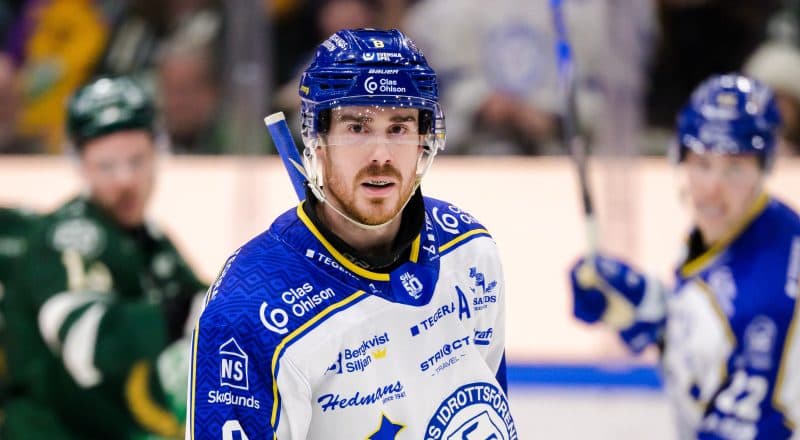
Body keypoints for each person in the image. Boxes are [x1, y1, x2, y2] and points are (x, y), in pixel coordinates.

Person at [188, 29, 514, 439]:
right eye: (357, 128)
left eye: (399, 128)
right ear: (317, 139)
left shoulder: (466, 249)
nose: (381, 155)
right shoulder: (249, 311)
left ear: (425, 140)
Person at [570, 73, 800, 439]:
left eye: (735, 168)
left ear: (764, 167)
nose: (712, 188)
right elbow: (706, 341)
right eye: (702, 163)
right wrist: (642, 301)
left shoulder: (768, 301)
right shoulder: (743, 228)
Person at [3, 75, 207, 439]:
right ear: (80, 164)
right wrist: (181, 314)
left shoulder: (149, 238)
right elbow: (87, 345)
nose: (125, 180)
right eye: (107, 166)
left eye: (137, 161)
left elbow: (203, 302)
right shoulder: (68, 237)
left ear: (158, 154)